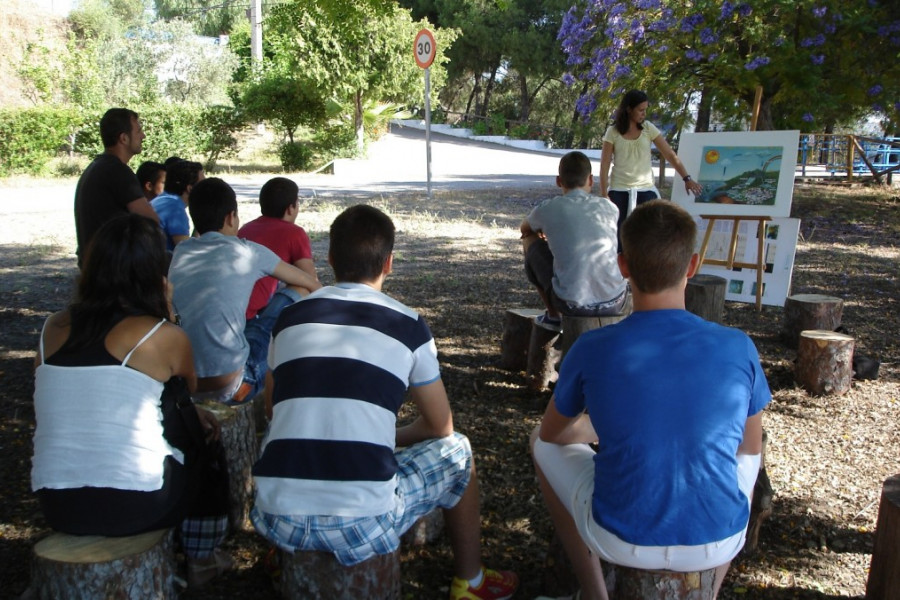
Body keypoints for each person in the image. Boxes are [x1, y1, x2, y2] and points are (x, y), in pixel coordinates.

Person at [251, 204, 519, 600]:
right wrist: (384, 436)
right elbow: (440, 427)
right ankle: (471, 581)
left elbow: (276, 410)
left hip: (274, 515)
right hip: (363, 523)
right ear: (389, 263)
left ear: (329, 259)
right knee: (459, 451)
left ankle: (285, 552)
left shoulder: (291, 318)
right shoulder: (408, 325)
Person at [530, 200, 770, 600]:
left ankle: (593, 592)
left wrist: (596, 423)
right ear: (692, 266)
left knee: (537, 442)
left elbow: (553, 434)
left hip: (618, 536)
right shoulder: (738, 345)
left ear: (623, 266)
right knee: (750, 454)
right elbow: (748, 447)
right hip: (719, 539)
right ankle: (708, 592)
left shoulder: (593, 347)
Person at [31, 214, 232, 587]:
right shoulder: (160, 334)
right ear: (154, 272)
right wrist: (169, 314)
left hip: (57, 505)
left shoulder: (51, 329)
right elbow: (185, 391)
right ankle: (202, 555)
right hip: (142, 505)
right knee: (203, 436)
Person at [168, 177, 321, 406]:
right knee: (296, 291)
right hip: (238, 386)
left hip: (188, 385)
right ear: (231, 217)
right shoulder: (248, 251)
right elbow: (308, 282)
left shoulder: (181, 251)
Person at [520, 151, 627, 329]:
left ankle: (553, 315)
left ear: (558, 181)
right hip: (615, 300)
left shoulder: (549, 208)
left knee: (528, 240)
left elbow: (524, 228)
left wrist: (544, 230)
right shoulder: (610, 207)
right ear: (591, 180)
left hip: (571, 304)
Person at [238, 177, 318, 396]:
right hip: (253, 319)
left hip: (234, 313)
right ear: (291, 207)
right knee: (300, 289)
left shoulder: (246, 228)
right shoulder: (293, 232)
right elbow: (309, 279)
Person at [599, 90, 703, 235]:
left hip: (645, 190)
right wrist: (604, 193)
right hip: (619, 190)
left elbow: (670, 155)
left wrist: (687, 178)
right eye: (640, 110)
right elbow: (605, 164)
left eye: (645, 110)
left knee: (649, 235)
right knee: (619, 236)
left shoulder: (648, 128)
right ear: (629, 109)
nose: (644, 114)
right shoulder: (613, 131)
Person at [73, 108, 159, 267]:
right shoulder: (117, 171)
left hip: (94, 265)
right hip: (111, 270)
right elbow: (151, 221)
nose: (143, 136)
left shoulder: (98, 166)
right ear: (124, 138)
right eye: (139, 130)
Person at [151, 160, 204, 251]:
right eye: (203, 185)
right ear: (190, 188)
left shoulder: (164, 200)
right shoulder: (175, 210)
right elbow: (186, 254)